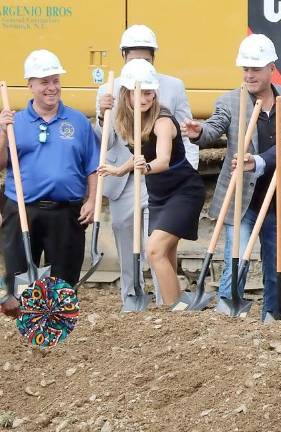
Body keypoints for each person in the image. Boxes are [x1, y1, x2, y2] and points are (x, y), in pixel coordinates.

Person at [182, 34, 281, 319]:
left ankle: (272, 312)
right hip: (242, 196)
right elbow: (214, 127)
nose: (248, 74)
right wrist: (199, 133)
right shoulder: (231, 101)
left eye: (255, 69)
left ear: (271, 68)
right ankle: (228, 307)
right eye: (245, 69)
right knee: (237, 257)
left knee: (275, 261)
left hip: (278, 195)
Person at [96, 24, 196, 305]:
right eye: (134, 57)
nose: (140, 63)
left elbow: (185, 134)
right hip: (126, 178)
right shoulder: (110, 90)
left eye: (146, 58)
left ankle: (167, 302)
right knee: (126, 237)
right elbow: (104, 138)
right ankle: (132, 297)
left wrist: (185, 170)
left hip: (162, 179)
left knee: (156, 247)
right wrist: (103, 117)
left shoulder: (171, 87)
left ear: (154, 57)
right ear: (123, 56)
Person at [0, 49, 99, 289]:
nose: (52, 87)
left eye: (56, 81)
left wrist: (93, 200)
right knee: (21, 286)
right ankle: (29, 325)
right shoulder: (15, 122)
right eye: (44, 82)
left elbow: (93, 167)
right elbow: (1, 163)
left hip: (66, 213)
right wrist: (3, 132)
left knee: (63, 287)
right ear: (30, 85)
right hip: (23, 210)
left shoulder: (78, 122)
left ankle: (57, 326)